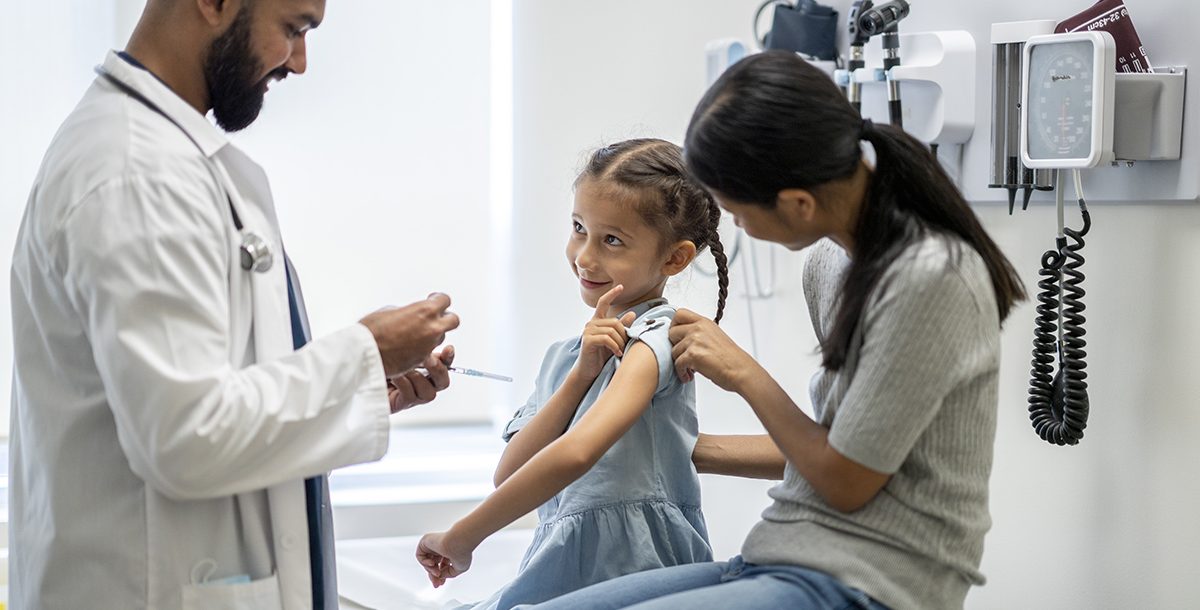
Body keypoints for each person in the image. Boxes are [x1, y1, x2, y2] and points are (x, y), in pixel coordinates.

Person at [522, 51, 1028, 610]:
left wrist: (742, 372)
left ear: (799, 204)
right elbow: (832, 450)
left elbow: (846, 479)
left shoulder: (932, 280)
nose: (734, 225)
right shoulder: (830, 265)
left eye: (737, 211)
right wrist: (663, 446)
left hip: (873, 581)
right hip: (782, 554)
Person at [9, 1, 460, 608]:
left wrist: (358, 386)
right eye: (294, 29)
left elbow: (205, 395)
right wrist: (365, 351)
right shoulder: (137, 173)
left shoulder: (163, 157)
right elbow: (185, 436)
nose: (299, 63)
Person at [414, 139, 731, 609]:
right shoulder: (565, 358)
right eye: (579, 228)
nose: (584, 255)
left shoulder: (658, 336)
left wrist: (464, 537)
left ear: (674, 259)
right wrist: (579, 376)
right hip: (564, 562)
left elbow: (579, 452)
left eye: (612, 240)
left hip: (637, 563)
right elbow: (510, 471)